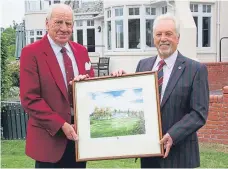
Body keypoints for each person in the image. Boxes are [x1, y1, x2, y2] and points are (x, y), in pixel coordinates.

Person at [112, 13, 209, 168]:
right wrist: (122, 82)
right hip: (149, 156)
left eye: (168, 34)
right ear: (154, 39)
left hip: (180, 155)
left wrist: (173, 135)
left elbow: (199, 113)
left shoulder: (196, 69)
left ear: (178, 38)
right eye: (159, 34)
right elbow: (137, 102)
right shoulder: (143, 65)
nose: (163, 38)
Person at [19, 4, 94, 168]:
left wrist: (84, 84)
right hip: (49, 140)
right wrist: (61, 124)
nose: (64, 28)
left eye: (68, 24)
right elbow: (30, 99)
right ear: (47, 24)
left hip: (79, 140)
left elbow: (92, 89)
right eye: (58, 22)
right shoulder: (31, 53)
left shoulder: (81, 51)